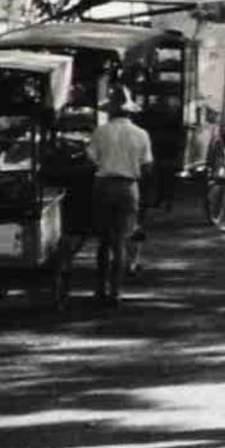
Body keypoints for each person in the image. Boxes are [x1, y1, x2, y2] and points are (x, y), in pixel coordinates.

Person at [87, 88, 153, 305]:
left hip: (103, 187)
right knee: (120, 242)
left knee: (104, 242)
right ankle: (116, 291)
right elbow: (147, 168)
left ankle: (99, 289)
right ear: (130, 112)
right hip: (128, 188)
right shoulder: (142, 134)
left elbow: (91, 159)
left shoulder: (100, 132)